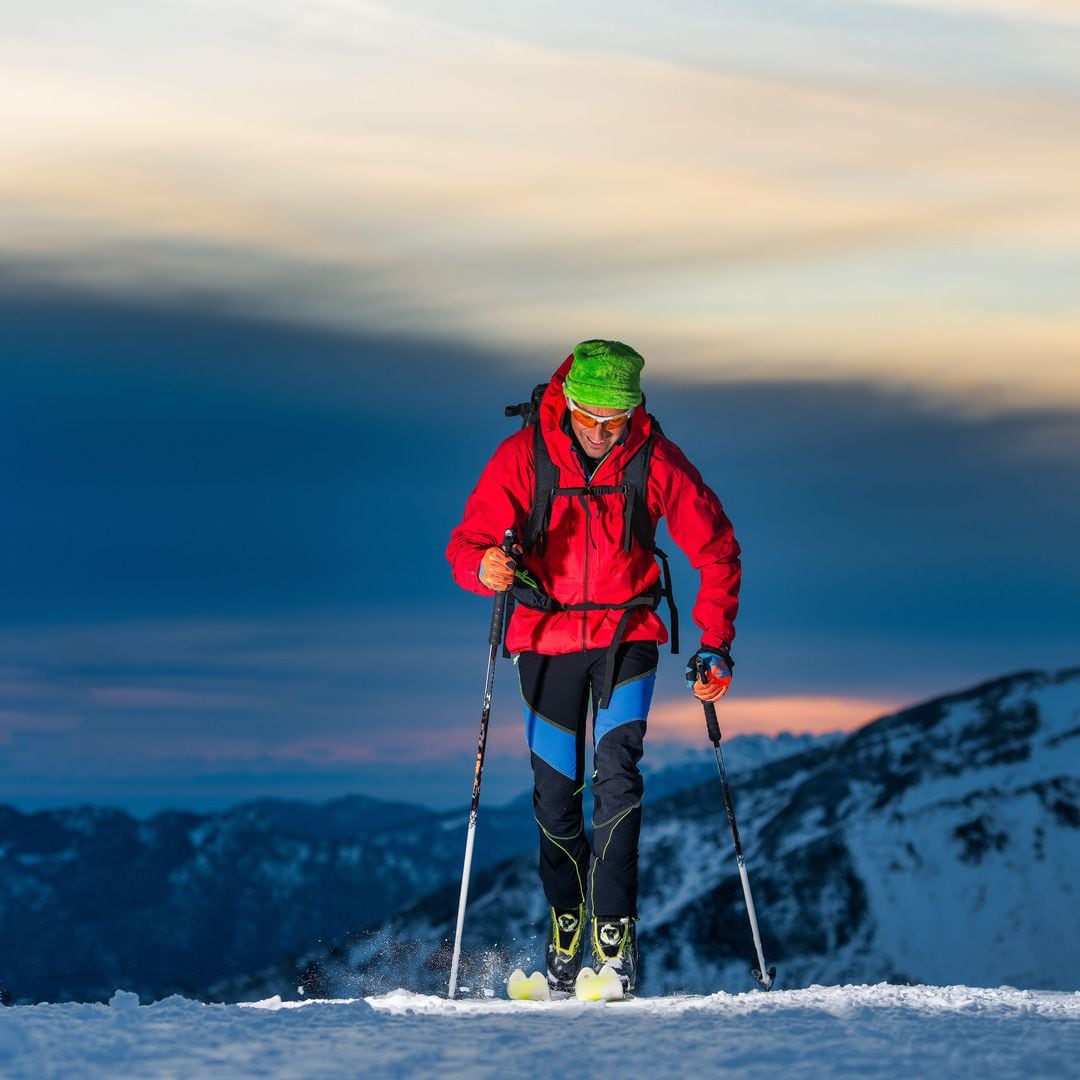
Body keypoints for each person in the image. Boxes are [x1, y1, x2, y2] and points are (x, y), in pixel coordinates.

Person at [446, 340, 740, 993]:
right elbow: (465, 544)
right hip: (545, 634)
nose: (604, 435)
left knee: (617, 774)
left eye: (617, 421)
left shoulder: (653, 459)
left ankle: (614, 939)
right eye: (591, 420)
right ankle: (566, 927)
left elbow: (715, 547)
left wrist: (714, 642)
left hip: (627, 633)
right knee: (555, 792)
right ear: (568, 404)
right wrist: (482, 567)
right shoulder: (523, 457)